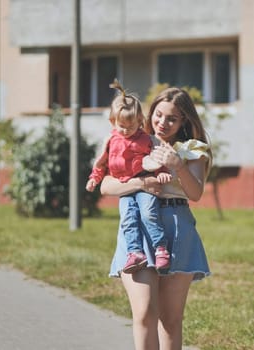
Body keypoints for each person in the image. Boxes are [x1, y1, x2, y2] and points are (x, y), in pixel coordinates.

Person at [100, 87, 212, 350]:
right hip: (137, 230)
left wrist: (178, 165)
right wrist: (142, 184)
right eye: (158, 115)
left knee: (171, 320)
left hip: (177, 229)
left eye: (172, 118)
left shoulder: (192, 149)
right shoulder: (134, 140)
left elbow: (195, 193)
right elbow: (106, 185)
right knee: (144, 313)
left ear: (184, 120)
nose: (162, 123)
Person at [86, 80, 172, 273]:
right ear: (113, 122)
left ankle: (160, 249)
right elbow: (102, 163)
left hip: (144, 179)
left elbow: (154, 159)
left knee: (148, 212)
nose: (126, 130)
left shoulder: (146, 140)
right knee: (128, 218)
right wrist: (94, 178)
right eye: (121, 125)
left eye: (130, 125)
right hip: (124, 187)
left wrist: (162, 172)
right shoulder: (111, 141)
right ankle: (135, 253)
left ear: (140, 120)